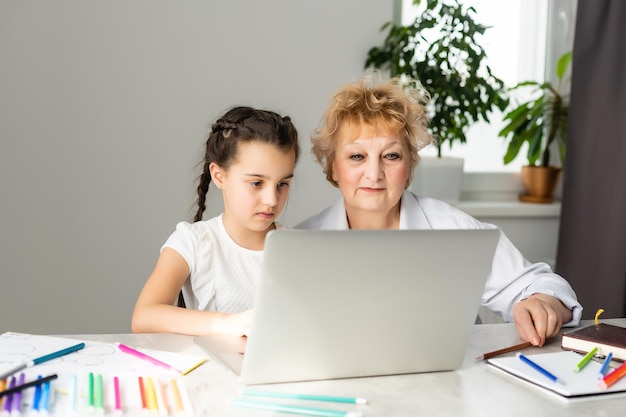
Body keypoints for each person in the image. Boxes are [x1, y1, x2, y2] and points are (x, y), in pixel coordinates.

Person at [296, 75, 582, 346]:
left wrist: (544, 303)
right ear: (333, 166)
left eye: (391, 156)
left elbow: (540, 284)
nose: (374, 173)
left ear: (410, 165)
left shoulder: (453, 229)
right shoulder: (300, 244)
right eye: (357, 156)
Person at [132, 106, 300, 336]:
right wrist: (227, 324)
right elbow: (144, 317)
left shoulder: (297, 248)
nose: (271, 200)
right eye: (256, 183)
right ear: (219, 176)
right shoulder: (192, 242)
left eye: (282, 184)